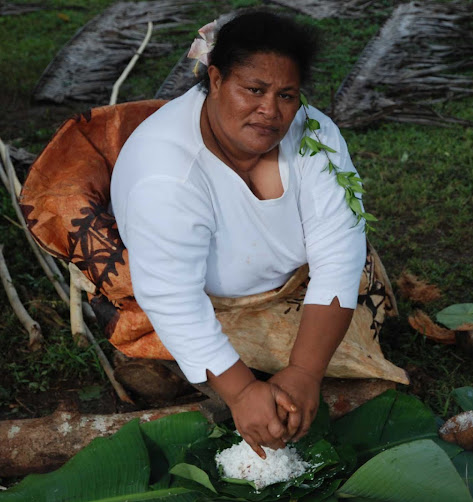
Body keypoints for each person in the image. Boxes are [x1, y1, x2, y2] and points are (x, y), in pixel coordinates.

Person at [110, 10, 366, 459]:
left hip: (298, 288)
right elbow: (173, 296)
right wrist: (242, 391)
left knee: (346, 355)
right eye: (254, 90)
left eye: (286, 94)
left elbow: (340, 253)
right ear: (215, 78)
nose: (270, 111)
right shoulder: (167, 174)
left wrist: (305, 371)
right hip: (206, 305)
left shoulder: (314, 136)